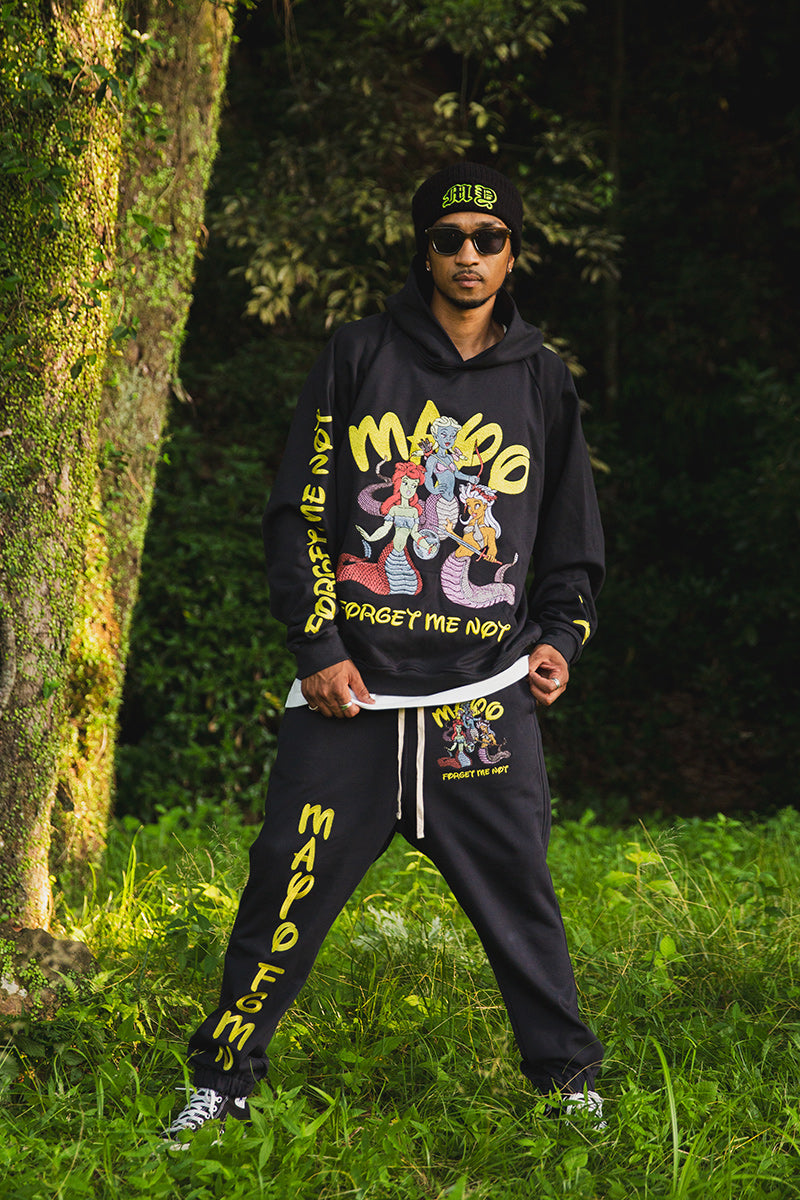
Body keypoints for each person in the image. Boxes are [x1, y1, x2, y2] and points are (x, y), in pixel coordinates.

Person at [163, 162, 606, 1144]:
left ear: (511, 253)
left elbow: (571, 537)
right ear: (424, 250)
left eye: (487, 238)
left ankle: (570, 1088)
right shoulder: (358, 353)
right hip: (350, 702)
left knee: (521, 902)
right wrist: (317, 647)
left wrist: (559, 638)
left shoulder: (541, 378)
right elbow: (300, 511)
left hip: (480, 703)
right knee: (282, 886)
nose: (467, 255)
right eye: (448, 238)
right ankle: (222, 1085)